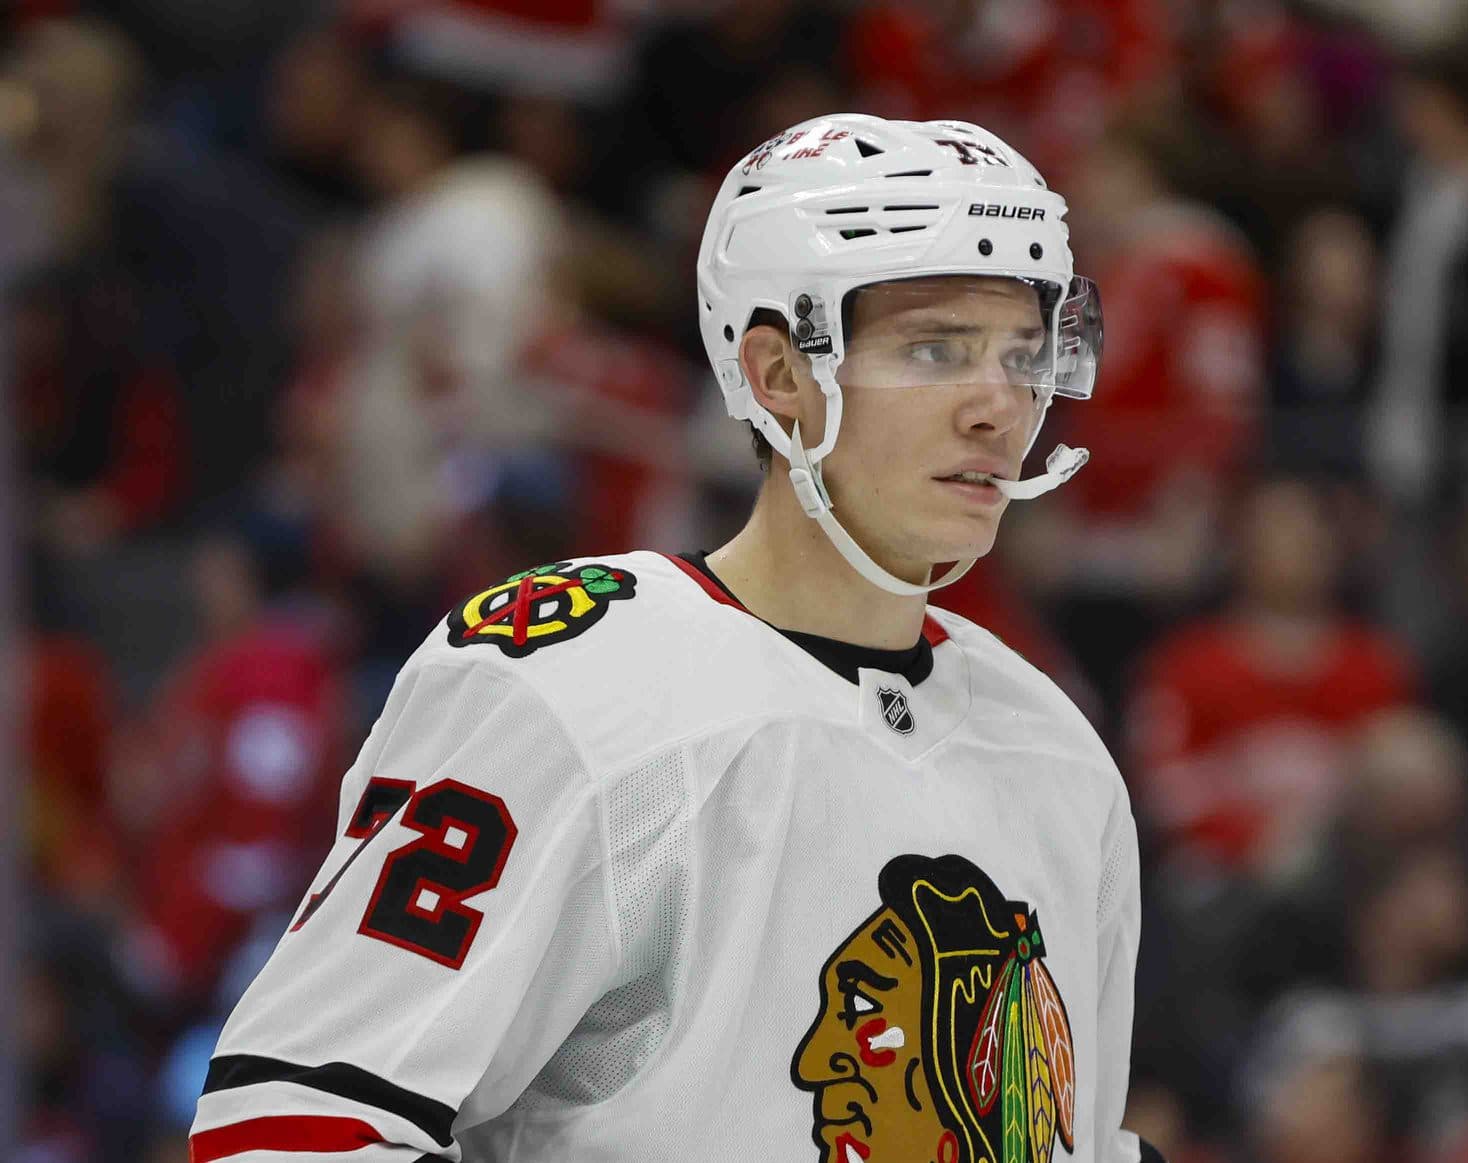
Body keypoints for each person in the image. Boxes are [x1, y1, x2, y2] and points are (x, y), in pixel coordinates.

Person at [188, 114, 1152, 1163]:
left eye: (1022, 355)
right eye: (935, 349)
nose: (999, 408)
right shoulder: (573, 677)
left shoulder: (1054, 745)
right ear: (779, 375)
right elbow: (295, 1124)